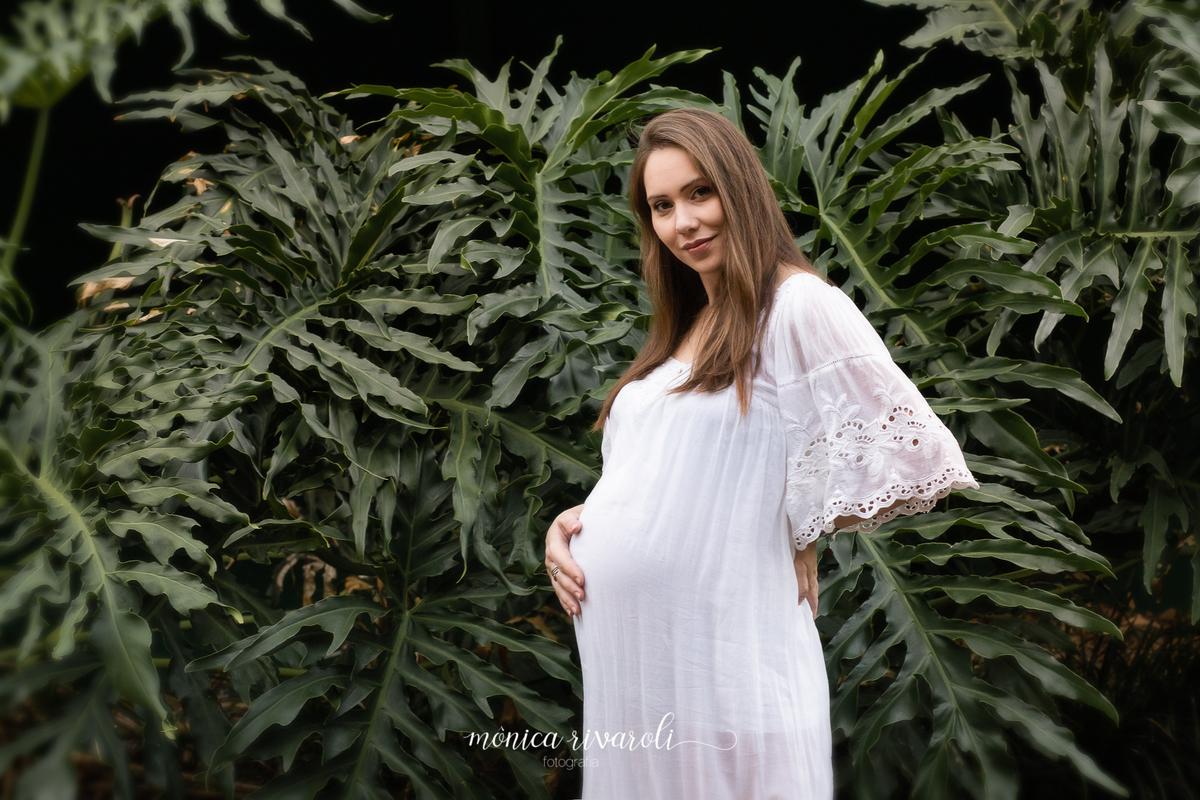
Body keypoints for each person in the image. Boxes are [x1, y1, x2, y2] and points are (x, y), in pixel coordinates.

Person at [543, 108, 977, 799]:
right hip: (639, 681)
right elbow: (667, 480)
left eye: (699, 192)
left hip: (728, 669)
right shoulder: (685, 331)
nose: (683, 222)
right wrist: (574, 522)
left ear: (740, 188)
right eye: (661, 206)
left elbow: (913, 451)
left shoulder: (798, 306)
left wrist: (804, 522)